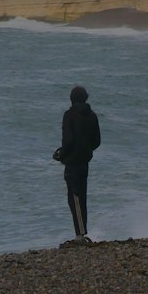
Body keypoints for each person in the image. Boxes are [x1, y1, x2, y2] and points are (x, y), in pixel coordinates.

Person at [53, 84, 100, 243]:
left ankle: (80, 235)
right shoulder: (92, 115)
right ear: (85, 98)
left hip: (72, 161)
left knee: (74, 198)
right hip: (85, 161)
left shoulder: (69, 115)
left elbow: (68, 140)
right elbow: (97, 141)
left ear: (72, 99)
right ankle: (82, 232)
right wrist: (86, 150)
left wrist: (61, 154)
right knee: (82, 196)